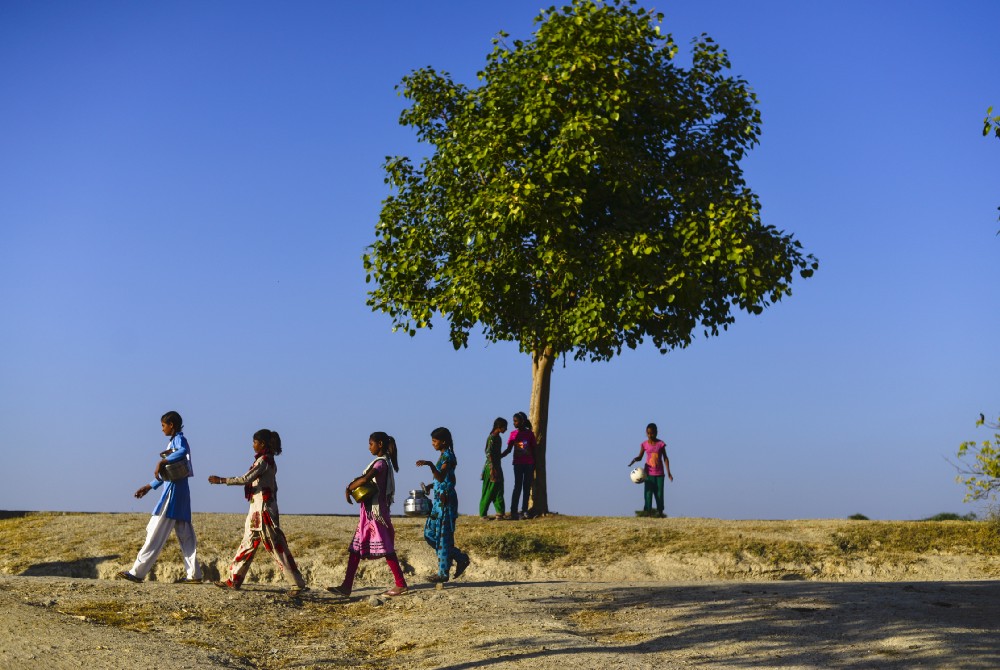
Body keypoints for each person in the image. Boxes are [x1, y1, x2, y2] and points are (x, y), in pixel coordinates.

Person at [208, 429, 307, 595]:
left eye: (255, 442)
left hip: (263, 510)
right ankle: (234, 579)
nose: (252, 445)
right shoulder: (266, 460)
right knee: (247, 544)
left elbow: (246, 478)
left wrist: (222, 480)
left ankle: (296, 583)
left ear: (262, 444)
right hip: (256, 509)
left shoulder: (264, 461)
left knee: (275, 546)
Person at [117, 411, 203, 584]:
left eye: (163, 425)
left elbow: (183, 451)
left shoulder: (179, 439)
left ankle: (137, 572)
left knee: (154, 531)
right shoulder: (174, 441)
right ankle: (194, 575)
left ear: (171, 425)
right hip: (181, 493)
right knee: (186, 536)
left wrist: (162, 462)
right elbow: (168, 473)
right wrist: (149, 486)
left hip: (172, 494)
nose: (162, 429)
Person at [328, 432, 409, 598]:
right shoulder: (382, 463)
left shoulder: (380, 464)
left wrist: (349, 488)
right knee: (355, 549)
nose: (369, 447)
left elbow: (365, 479)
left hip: (376, 513)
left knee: (386, 548)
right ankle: (346, 586)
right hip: (369, 513)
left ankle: (401, 584)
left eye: (371, 444)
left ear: (379, 444)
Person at [417, 426, 469, 583]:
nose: (432, 444)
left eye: (435, 441)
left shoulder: (448, 457)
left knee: (443, 538)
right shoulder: (442, 457)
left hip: (446, 502)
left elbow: (441, 477)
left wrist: (430, 464)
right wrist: (430, 486)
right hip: (438, 503)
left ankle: (443, 573)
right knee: (430, 534)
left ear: (443, 441)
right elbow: (442, 480)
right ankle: (459, 557)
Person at [629, 422, 674, 518]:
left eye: (652, 433)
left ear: (656, 432)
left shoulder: (661, 444)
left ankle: (660, 512)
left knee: (659, 494)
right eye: (648, 433)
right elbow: (640, 457)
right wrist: (635, 459)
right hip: (648, 474)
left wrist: (668, 472)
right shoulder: (644, 444)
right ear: (646, 433)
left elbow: (665, 458)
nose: (650, 435)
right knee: (648, 493)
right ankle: (648, 513)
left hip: (660, 474)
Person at [507, 411, 536, 520]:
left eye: (516, 421)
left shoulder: (530, 434)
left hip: (528, 464)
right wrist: (498, 456)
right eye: (513, 421)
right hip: (518, 464)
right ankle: (513, 511)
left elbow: (534, 449)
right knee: (517, 486)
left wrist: (535, 464)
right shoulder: (513, 434)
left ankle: (524, 510)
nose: (514, 423)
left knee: (526, 486)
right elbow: (509, 449)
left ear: (522, 422)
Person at [479, 417, 508, 520]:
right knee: (489, 490)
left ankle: (500, 513)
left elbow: (497, 454)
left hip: (498, 466)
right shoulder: (491, 438)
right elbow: (488, 453)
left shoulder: (499, 438)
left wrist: (506, 452)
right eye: (505, 427)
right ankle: (483, 514)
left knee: (499, 489)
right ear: (499, 427)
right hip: (491, 468)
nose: (506, 429)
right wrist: (492, 468)